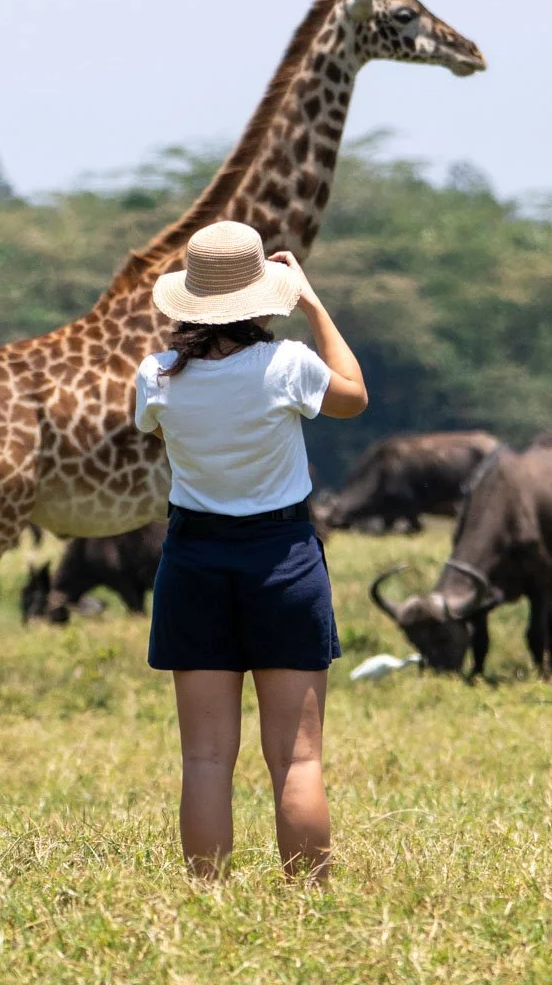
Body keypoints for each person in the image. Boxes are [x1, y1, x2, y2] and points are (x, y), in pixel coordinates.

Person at [134, 220, 368, 882]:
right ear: (266, 295)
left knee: (205, 758)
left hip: (193, 561)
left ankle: (208, 899)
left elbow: (149, 428)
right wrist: (316, 305)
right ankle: (308, 904)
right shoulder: (287, 364)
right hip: (283, 558)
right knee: (297, 759)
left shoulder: (156, 374)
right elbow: (354, 395)